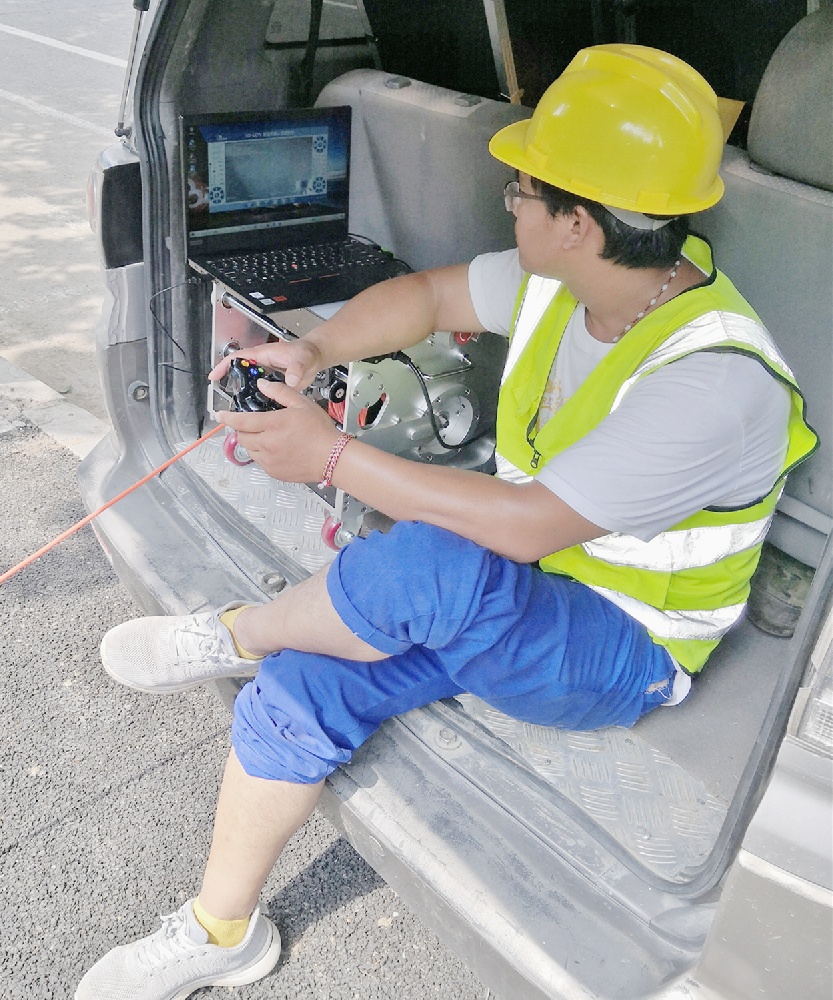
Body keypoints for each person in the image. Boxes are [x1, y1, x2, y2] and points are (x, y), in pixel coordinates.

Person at [75, 45, 816, 1000]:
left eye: (523, 189)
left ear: (580, 223)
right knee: (313, 674)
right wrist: (311, 348)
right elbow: (428, 296)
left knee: (424, 570)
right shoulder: (576, 283)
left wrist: (330, 457)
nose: (510, 199)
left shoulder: (713, 385)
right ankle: (224, 931)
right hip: (523, 590)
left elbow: (525, 526)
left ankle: (232, 635)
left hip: (626, 643)